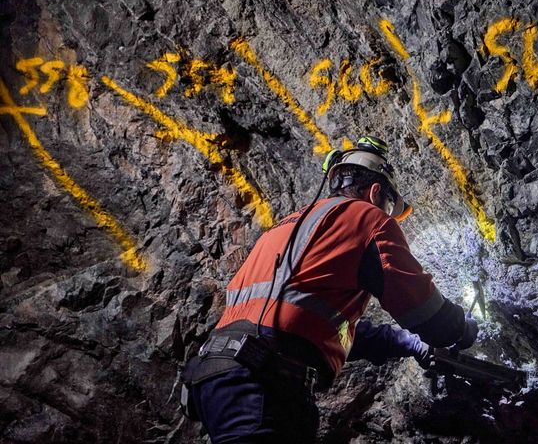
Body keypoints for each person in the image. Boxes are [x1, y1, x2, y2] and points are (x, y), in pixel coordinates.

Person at [181, 136, 479, 443]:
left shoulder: (286, 228)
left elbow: (311, 325)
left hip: (215, 376)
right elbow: (420, 307)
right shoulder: (368, 219)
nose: (387, 214)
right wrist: (459, 330)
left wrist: (407, 342)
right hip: (263, 378)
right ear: (376, 192)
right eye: (389, 206)